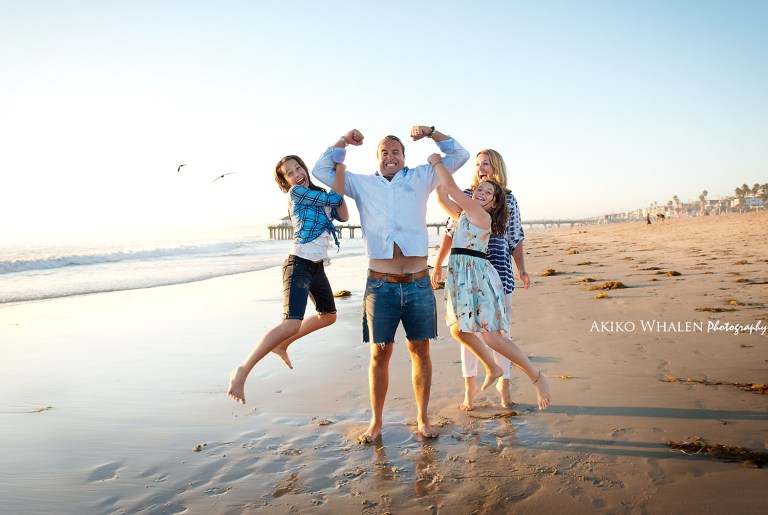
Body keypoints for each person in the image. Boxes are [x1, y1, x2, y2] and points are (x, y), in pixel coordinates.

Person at [312, 126, 470, 442]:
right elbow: (320, 170)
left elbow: (460, 155)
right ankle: (376, 423)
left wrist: (432, 133)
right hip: (379, 285)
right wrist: (343, 142)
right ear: (378, 158)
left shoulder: (422, 177)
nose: (390, 156)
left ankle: (423, 419)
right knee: (379, 355)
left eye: (395, 151)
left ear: (404, 156)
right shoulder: (361, 183)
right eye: (384, 152)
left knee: (420, 351)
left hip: (418, 282)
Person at [428, 152, 551, 411]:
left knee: (494, 338)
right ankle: (492, 367)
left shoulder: (480, 215)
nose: (480, 193)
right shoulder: (465, 213)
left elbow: (450, 187)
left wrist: (436, 161)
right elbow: (442, 195)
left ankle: (537, 377)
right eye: (478, 189)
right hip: (461, 278)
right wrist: (434, 171)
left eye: (487, 192)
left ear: (495, 204)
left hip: (478, 277)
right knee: (458, 330)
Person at [227, 153, 349, 404]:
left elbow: (343, 214)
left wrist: (337, 181)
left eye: (298, 168)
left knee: (329, 316)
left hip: (316, 267)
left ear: (305, 168)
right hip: (299, 264)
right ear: (286, 182)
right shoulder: (297, 194)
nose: (297, 175)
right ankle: (243, 369)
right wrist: (340, 172)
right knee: (290, 323)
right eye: (290, 174)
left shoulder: (319, 197)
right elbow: (336, 198)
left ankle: (281, 345)